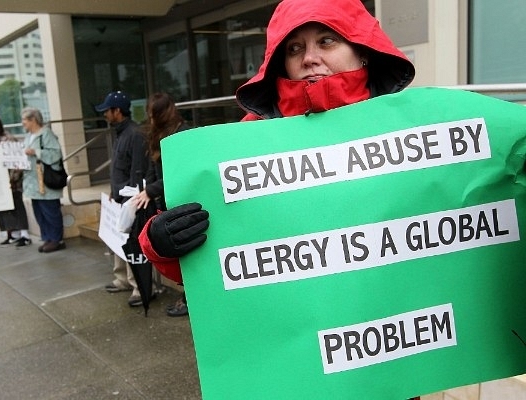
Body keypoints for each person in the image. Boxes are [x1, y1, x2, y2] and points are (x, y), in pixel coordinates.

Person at [139, 0, 419, 398]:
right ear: (279, 63)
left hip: (389, 368)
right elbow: (221, 265)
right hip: (291, 367)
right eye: (294, 48)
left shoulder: (414, 134)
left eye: (327, 40)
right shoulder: (246, 143)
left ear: (362, 50)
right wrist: (163, 243)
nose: (310, 58)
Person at [131, 92, 191, 317]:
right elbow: (152, 167)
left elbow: (183, 174)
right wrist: (147, 189)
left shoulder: (182, 133)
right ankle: (186, 297)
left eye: (152, 113)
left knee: (187, 254)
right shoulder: (159, 133)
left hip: (181, 199)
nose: (149, 117)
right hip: (165, 200)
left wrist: (151, 189)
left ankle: (188, 299)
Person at [95, 91, 148, 307]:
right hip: (119, 197)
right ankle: (123, 279)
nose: (105, 115)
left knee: (130, 243)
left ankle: (137, 285)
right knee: (118, 240)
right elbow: (119, 167)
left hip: (129, 199)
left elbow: (136, 169)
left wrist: (131, 196)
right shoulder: (121, 133)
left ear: (117, 111)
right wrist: (113, 191)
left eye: (107, 111)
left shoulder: (134, 134)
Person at [21, 107, 66, 253]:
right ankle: (47, 237)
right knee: (39, 212)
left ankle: (56, 239)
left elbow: (55, 154)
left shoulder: (46, 134)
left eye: (25, 120)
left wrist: (36, 152)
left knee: (50, 211)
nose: (23, 123)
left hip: (45, 181)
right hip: (32, 181)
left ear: (33, 120)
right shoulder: (28, 136)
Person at [0, 113, 32, 247]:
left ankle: (24, 235)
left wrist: (13, 179)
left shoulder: (8, 139)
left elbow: (17, 161)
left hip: (12, 181)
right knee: (3, 208)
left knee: (17, 206)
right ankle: (12, 234)